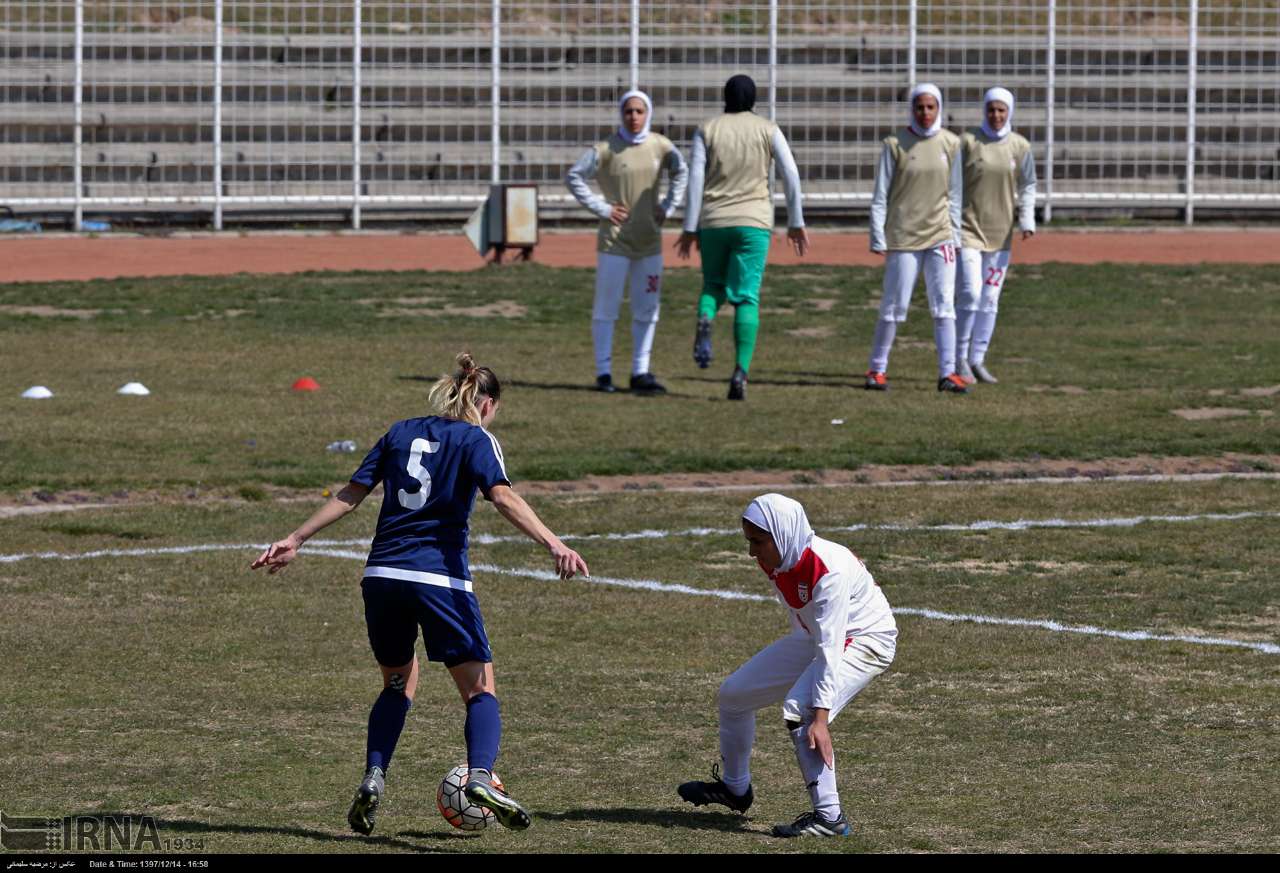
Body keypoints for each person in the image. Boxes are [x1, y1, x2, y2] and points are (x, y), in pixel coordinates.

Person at [250, 353, 589, 836]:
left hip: (382, 576)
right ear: (487, 404)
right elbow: (503, 496)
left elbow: (351, 493)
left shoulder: (400, 431)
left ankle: (373, 775)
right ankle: (479, 777)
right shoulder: (478, 439)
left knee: (396, 683)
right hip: (439, 580)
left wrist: (295, 539)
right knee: (479, 688)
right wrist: (554, 543)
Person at [677, 493, 897, 839]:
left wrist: (821, 718)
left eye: (758, 542)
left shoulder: (829, 569)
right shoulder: (777, 557)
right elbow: (805, 618)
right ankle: (735, 790)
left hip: (866, 637)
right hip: (817, 636)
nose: (752, 552)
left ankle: (830, 818)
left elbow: (831, 646)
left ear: (783, 534)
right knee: (734, 695)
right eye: (749, 541)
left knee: (801, 708)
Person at [677, 73, 809, 401]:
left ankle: (707, 316)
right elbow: (791, 174)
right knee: (747, 297)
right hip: (753, 222)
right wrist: (796, 221)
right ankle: (740, 371)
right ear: (753, 99)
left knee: (712, 286)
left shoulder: (708, 129)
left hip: (714, 221)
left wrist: (690, 226)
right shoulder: (767, 129)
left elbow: (695, 178)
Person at [566, 89, 688, 395]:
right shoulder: (607, 148)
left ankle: (640, 371)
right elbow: (575, 176)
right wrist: (604, 209)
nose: (634, 117)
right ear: (621, 114)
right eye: (629, 111)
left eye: (639, 111)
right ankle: (604, 373)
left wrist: (669, 206)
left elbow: (681, 171)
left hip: (649, 243)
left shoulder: (661, 145)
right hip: (614, 243)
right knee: (606, 309)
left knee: (647, 309)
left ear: (648, 113)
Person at [864, 83, 968, 394]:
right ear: (912, 108)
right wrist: (877, 234)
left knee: (944, 306)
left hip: (940, 237)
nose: (925, 113)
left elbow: (956, 195)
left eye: (931, 107)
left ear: (939, 108)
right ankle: (877, 369)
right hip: (903, 237)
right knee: (894, 306)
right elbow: (880, 194)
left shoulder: (951, 143)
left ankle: (948, 373)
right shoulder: (895, 143)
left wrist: (956, 236)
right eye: (920, 107)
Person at [955, 87, 1037, 385]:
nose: (996, 115)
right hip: (967, 230)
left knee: (990, 298)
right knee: (971, 293)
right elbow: (951, 182)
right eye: (992, 109)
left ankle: (978, 359)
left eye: (1002, 110)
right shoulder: (968, 141)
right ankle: (959, 357)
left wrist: (1026, 219)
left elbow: (1028, 184)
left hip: (1001, 234)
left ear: (1010, 111)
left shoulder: (1020, 146)